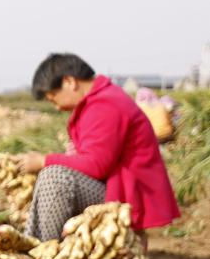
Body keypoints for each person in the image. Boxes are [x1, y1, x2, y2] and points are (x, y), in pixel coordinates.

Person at [17, 53, 180, 242]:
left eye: (53, 99)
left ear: (69, 81)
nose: (57, 107)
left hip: (126, 197)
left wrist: (44, 161)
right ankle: (38, 248)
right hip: (116, 188)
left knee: (55, 178)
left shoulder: (105, 104)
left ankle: (41, 253)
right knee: (55, 172)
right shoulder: (103, 99)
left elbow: (96, 165)